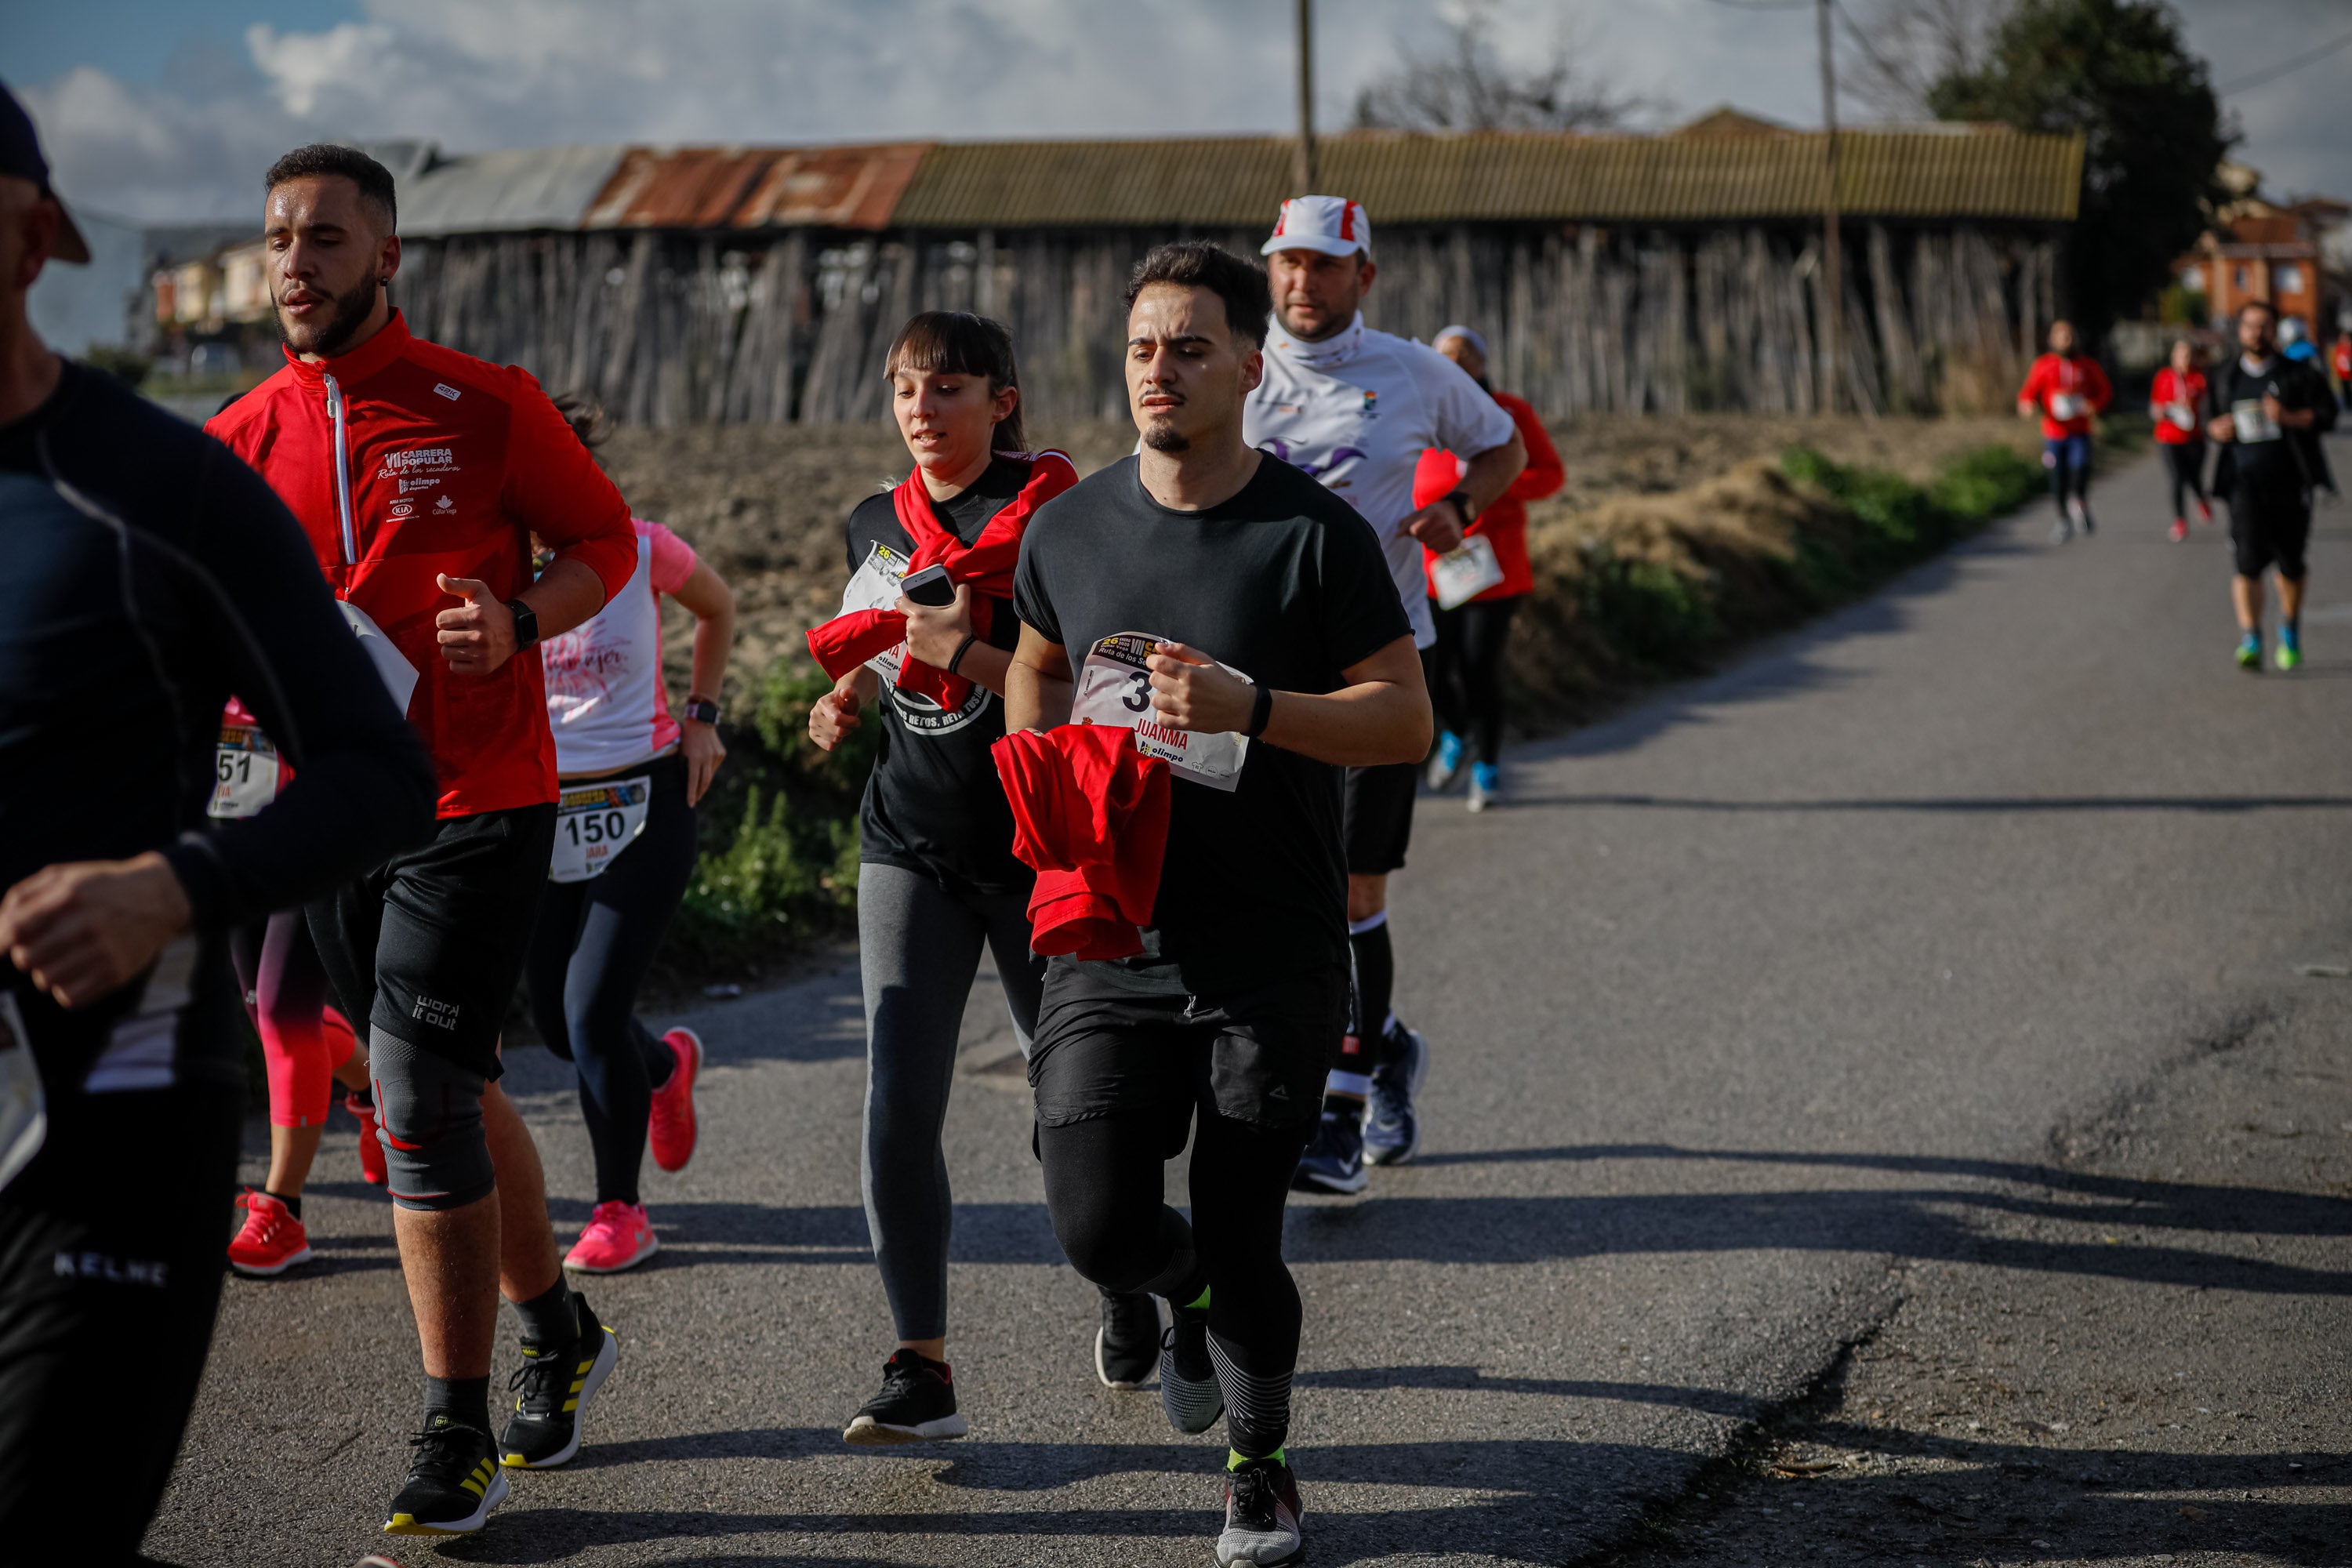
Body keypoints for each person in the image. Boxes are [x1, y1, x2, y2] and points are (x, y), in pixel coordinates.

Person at [0, 83, 436, 1565]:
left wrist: (177, 884)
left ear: (39, 234)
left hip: (104, 1111)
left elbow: (381, 776)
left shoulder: (164, 487)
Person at [207, 143, 641, 1536]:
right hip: (330, 807)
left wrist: (523, 617)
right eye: (278, 237)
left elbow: (606, 541)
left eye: (325, 238)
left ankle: (454, 1426)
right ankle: (556, 1329)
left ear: (384, 256)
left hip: (480, 795)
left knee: (411, 1091)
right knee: (447, 1080)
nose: (295, 261)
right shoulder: (232, 441)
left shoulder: (485, 404)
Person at [1007, 239, 1432, 1568]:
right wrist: (1042, 791)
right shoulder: (1069, 529)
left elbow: (1403, 720)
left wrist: (1255, 709)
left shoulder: (1314, 536)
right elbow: (1032, 664)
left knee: (1246, 1224)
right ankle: (1177, 1301)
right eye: (1142, 347)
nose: (1159, 370)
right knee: (1098, 1227)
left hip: (1271, 946)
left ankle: (1262, 1465)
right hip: (1110, 938)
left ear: (1250, 368)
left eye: (1190, 347)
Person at [804, 312, 1156, 1439]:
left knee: (1074, 1119)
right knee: (898, 1103)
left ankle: (1122, 1280)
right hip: (905, 839)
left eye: (948, 387)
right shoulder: (878, 521)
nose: (921, 408)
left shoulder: (1066, 522)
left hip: (1035, 848)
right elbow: (877, 632)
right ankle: (922, 1366)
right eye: (906, 387)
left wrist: (970, 654)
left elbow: (1099, 692)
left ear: (1002, 401)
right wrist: (845, 696)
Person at [1242, 195, 1525, 1193]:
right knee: (1275, 898)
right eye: (1288, 264)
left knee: (1357, 891)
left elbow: (1505, 446)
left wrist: (1457, 508)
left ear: (1364, 276)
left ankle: (1341, 1110)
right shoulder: (1236, 368)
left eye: (1325, 266)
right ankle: (1386, 1042)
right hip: (1256, 675)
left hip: (1379, 667)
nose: (1302, 284)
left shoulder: (1412, 368)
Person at [522, 395, 734, 1274]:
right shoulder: (500, 569)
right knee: (556, 1024)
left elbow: (717, 609)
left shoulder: (642, 547)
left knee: (591, 1008)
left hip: (644, 796)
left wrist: (702, 716)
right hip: (539, 807)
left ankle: (620, 1208)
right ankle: (661, 1068)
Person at [1417, 325, 1563, 816]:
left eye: (1464, 355)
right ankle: (1455, 733)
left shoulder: (1510, 413)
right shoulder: (1418, 411)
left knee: (1480, 669)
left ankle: (1489, 767)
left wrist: (1487, 489)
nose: (1454, 363)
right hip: (1432, 569)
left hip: (1494, 568)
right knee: (1430, 668)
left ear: (1482, 361)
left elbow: (1549, 474)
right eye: (1445, 356)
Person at [2206, 299, 2339, 672]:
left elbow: (2328, 415)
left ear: (2276, 330)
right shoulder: (2225, 376)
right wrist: (2215, 430)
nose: (2257, 333)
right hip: (2242, 483)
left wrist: (2289, 417)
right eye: (2250, 326)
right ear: (2239, 330)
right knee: (2246, 564)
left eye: (2264, 326)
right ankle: (2251, 638)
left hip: (2291, 482)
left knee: (2291, 565)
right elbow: (2209, 421)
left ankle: (2290, 628)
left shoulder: (2299, 374)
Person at [2016, 319, 2112, 543]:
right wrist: (2027, 406)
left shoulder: (2087, 366)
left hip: (2079, 432)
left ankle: (2079, 501)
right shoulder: (2043, 366)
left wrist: (2094, 405)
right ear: (2052, 339)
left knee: (2080, 471)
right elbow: (2027, 394)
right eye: (2060, 336)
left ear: (2074, 338)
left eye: (2069, 336)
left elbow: (2105, 391)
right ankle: (2062, 520)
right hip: (2053, 433)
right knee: (2057, 477)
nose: (2065, 340)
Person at [2148, 338, 2211, 544]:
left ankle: (2201, 498)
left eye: (2188, 355)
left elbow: (2210, 408)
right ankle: (2180, 521)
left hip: (2194, 438)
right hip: (2168, 437)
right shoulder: (2163, 377)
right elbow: (2154, 408)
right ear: (2173, 356)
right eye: (2181, 354)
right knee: (2176, 479)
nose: (2185, 359)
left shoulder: (2200, 379)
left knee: (2193, 477)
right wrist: (2165, 410)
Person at [2329, 328, 2351, 411]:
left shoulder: (2349, 347)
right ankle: (2347, 404)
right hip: (2342, 372)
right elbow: (2335, 359)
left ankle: (2349, 403)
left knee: (2348, 389)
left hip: (2349, 373)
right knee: (2344, 389)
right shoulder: (2338, 348)